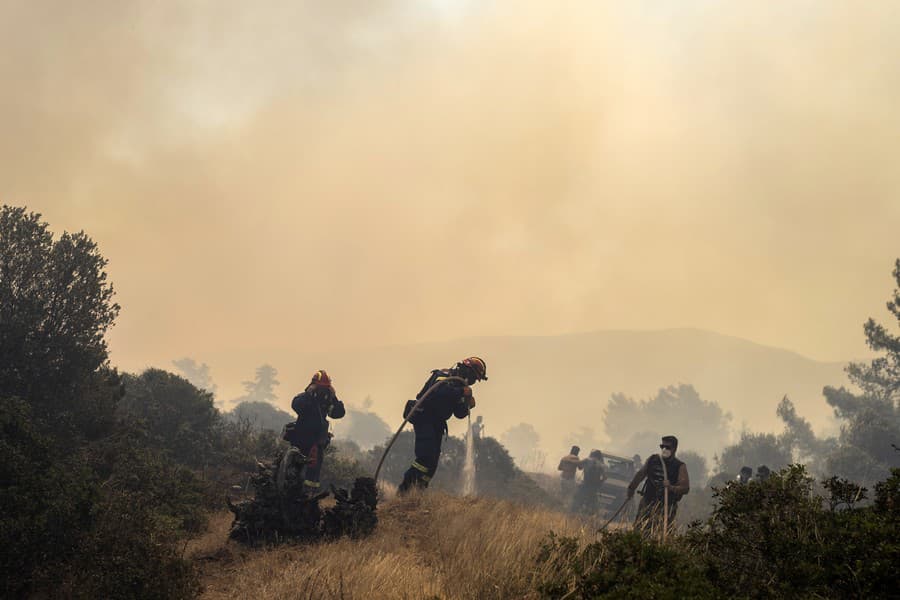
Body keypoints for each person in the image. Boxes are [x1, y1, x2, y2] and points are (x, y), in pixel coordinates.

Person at [398, 357, 487, 493]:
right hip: (425, 419)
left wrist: (468, 404)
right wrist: (461, 393)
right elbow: (437, 392)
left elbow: (459, 413)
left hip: (437, 424)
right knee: (425, 457)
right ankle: (404, 492)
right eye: (474, 377)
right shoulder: (444, 375)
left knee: (432, 462)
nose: (473, 382)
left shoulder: (461, 387)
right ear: (468, 371)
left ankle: (418, 492)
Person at [288, 370, 346, 493]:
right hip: (301, 440)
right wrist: (308, 393)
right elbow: (296, 405)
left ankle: (310, 494)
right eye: (320, 388)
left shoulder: (327, 401)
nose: (322, 391)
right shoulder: (305, 399)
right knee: (293, 469)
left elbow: (338, 413)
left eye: (325, 388)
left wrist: (334, 398)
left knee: (313, 472)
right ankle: (291, 491)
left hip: (317, 442)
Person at [627, 435, 690, 531]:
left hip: (666, 507)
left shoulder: (680, 466)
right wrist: (631, 488)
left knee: (661, 533)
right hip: (647, 502)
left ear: (674, 449)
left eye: (668, 447)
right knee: (639, 530)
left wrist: (671, 488)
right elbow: (640, 474)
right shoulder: (652, 459)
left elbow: (685, 488)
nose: (664, 449)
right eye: (662, 446)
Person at [571, 449, 607, 515]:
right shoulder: (601, 465)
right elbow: (605, 477)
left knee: (576, 502)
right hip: (594, 488)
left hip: (585, 485)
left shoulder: (587, 460)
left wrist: (570, 459)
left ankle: (573, 516)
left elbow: (578, 464)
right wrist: (599, 483)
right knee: (592, 506)